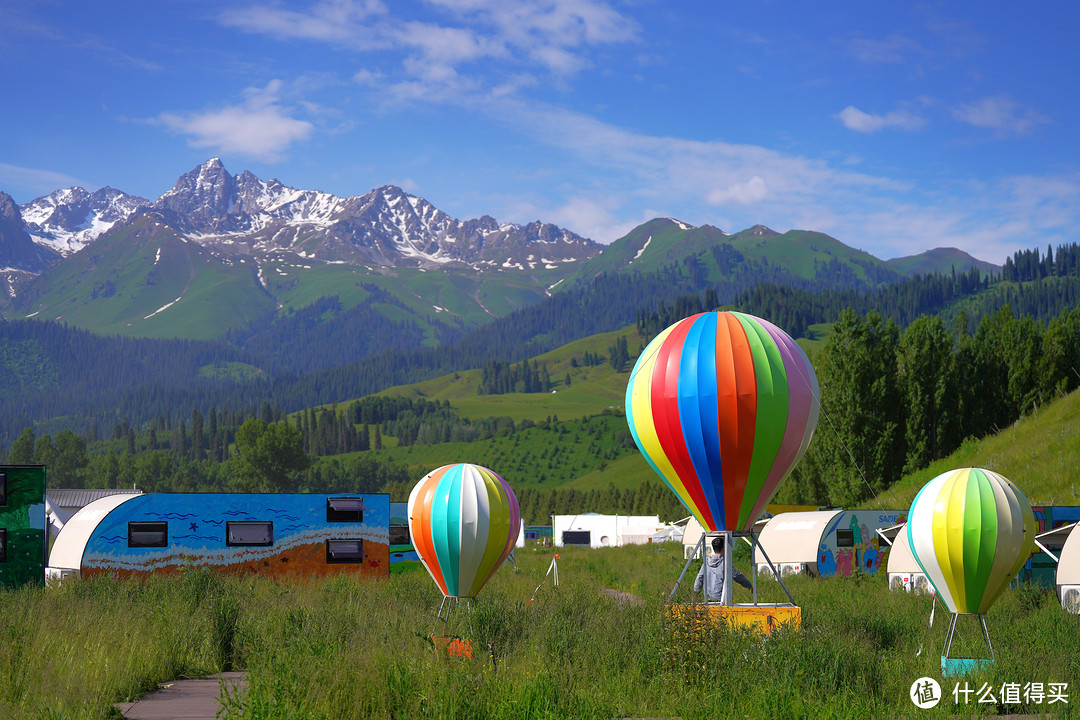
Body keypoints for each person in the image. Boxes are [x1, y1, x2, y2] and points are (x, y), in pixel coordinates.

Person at [693, 535, 753, 602]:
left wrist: (695, 593)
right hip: (722, 598)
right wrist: (748, 585)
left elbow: (699, 578)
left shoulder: (706, 562)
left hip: (708, 597)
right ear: (723, 548)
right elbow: (736, 575)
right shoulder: (724, 563)